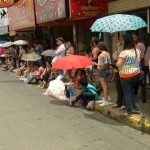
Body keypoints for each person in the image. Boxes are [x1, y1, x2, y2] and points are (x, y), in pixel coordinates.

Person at [116, 34, 141, 116]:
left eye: (122, 40)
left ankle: (129, 111)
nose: (122, 42)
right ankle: (135, 107)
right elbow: (138, 61)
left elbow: (119, 64)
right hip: (136, 74)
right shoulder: (137, 51)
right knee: (131, 92)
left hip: (125, 75)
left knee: (127, 93)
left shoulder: (124, 53)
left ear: (126, 41)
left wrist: (117, 62)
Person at [94, 42, 111, 106]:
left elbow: (101, 64)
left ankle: (105, 100)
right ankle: (107, 97)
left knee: (104, 86)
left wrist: (95, 64)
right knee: (106, 84)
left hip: (102, 71)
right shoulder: (107, 53)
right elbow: (109, 63)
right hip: (107, 70)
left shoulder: (101, 55)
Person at [112, 40, 126, 110]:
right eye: (117, 42)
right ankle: (118, 102)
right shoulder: (117, 51)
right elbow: (114, 57)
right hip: (116, 71)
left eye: (119, 42)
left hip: (122, 71)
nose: (117, 44)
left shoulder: (124, 51)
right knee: (118, 88)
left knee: (123, 88)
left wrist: (120, 48)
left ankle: (124, 103)